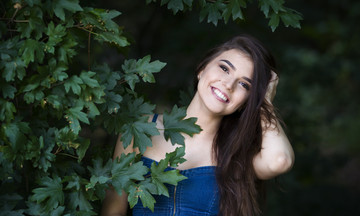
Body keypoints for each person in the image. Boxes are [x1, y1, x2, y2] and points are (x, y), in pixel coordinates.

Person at [101, 34, 295, 216]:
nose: (228, 84)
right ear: (202, 69)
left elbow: (280, 161)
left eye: (245, 85)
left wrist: (265, 101)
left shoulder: (238, 156)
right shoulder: (140, 129)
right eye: (224, 68)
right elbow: (113, 209)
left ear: (247, 102)